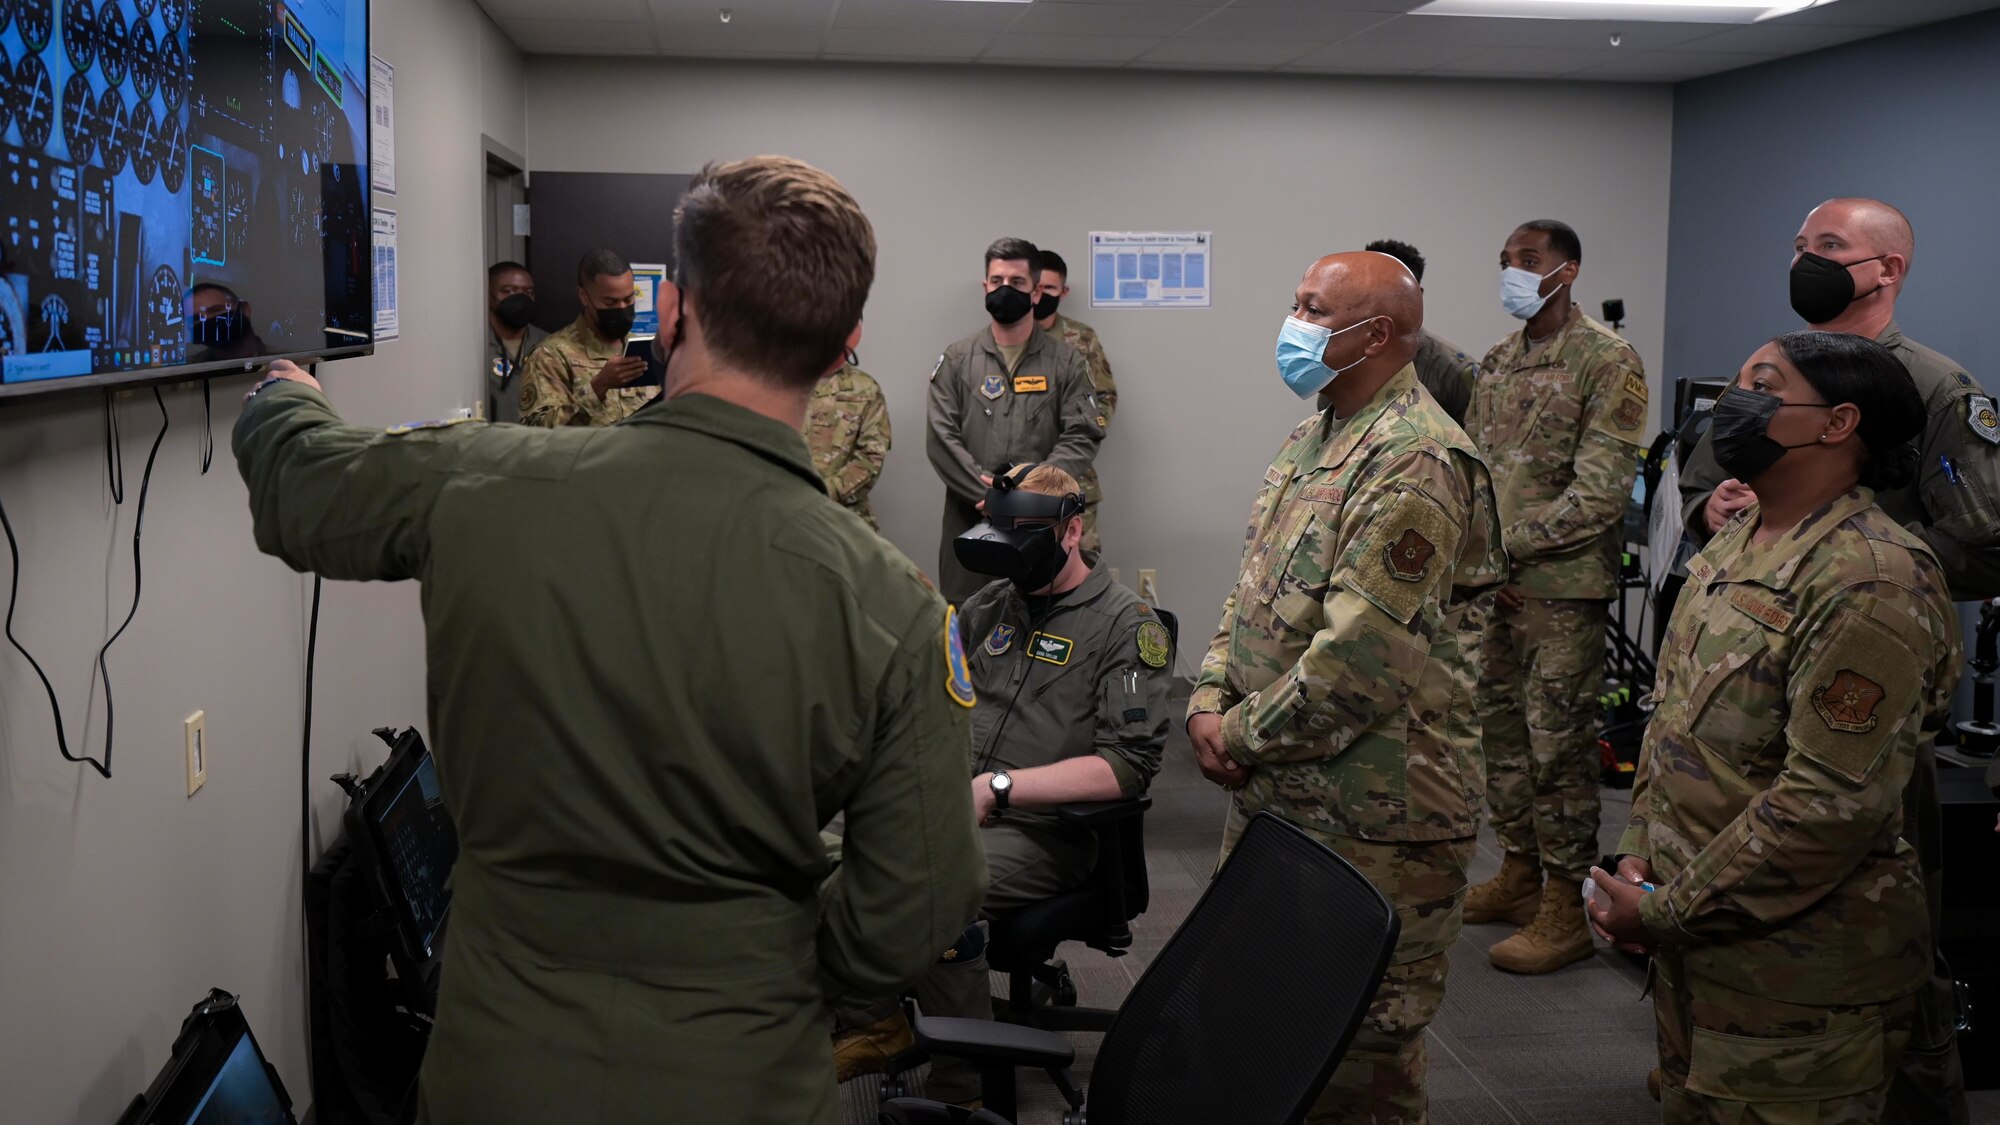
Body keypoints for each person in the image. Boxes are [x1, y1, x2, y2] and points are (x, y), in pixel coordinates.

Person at [232, 156, 987, 1125]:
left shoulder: (486, 482)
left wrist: (280, 394)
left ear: (673, 307)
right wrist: (762, 958)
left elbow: (301, 490)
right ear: (845, 343)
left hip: (499, 1076)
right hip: (741, 1080)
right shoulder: (896, 610)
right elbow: (919, 906)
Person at [1676, 198, 1994, 1125]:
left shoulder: (1936, 389)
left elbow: (1985, 540)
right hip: (1745, 692)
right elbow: (1701, 485)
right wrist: (1721, 507)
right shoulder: (1769, 374)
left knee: (1885, 939)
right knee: (1741, 904)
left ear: (1886, 268)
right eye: (1799, 245)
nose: (1803, 260)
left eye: (1827, 247)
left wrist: (1841, 551)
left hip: (1863, 693)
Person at [1591, 331, 1958, 1125]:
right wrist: (1641, 849)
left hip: (1800, 972)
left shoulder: (1871, 576)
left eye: (1763, 385)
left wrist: (1660, 912)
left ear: (1837, 424)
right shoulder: (1735, 542)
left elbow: (1828, 805)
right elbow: (1674, 718)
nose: (1734, 406)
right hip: (1703, 932)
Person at [1188, 251, 1501, 1125]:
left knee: (1356, 1056)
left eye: (1311, 309)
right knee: (1268, 1025)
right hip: (1284, 786)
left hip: (1378, 813)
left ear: (1374, 335)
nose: (1292, 324)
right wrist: (1210, 696)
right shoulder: (1314, 436)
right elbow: (1252, 595)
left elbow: (1360, 658)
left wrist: (1239, 734)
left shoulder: (1418, 459)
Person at [832, 463, 1171, 1103]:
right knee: (840, 850)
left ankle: (964, 1082)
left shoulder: (1129, 627)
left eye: (1027, 535)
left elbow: (1125, 767)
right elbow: (928, 690)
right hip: (957, 808)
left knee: (930, 883)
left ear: (1072, 532)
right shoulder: (994, 605)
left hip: (1047, 833)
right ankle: (875, 1019)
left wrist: (997, 788)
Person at [1461, 219, 1648, 975]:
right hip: (1496, 590)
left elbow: (1601, 492)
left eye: (1527, 261)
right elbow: (1477, 473)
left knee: (1558, 751)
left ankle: (1566, 905)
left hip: (1562, 593)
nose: (1512, 271)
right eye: (1505, 260)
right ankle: (1518, 872)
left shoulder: (1608, 360)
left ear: (1566, 271)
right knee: (1499, 740)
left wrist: (1501, 551)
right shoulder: (1500, 360)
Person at [927, 237, 1103, 604]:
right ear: (985, 286)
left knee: (1048, 623)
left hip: (1043, 526)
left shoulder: (1067, 361)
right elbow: (940, 436)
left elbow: (1082, 433)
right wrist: (986, 495)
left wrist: (1032, 494)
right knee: (970, 627)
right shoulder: (958, 359)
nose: (1004, 289)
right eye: (996, 281)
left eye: (1017, 283)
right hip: (971, 521)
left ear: (1037, 292)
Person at [1033, 249, 1118, 551]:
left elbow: (1105, 396)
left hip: (1074, 478)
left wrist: (1080, 430)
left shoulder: (1080, 339)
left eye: (1050, 289)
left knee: (1082, 572)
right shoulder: (1010, 338)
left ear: (1063, 291)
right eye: (1037, 288)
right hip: (1023, 475)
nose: (1041, 295)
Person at [517, 247, 656, 427]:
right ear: (584, 296)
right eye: (610, 302)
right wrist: (598, 386)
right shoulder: (551, 355)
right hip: (587, 455)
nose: (622, 308)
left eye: (629, 299)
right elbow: (537, 431)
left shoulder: (645, 349)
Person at [1364, 239, 1479, 426]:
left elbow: (1475, 447)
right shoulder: (1345, 355)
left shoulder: (1453, 371)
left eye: (1386, 289)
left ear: (1416, 294)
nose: (1372, 297)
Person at [805, 351, 891, 530]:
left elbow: (871, 457)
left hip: (844, 522)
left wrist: (823, 492)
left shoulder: (864, 389)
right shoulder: (777, 384)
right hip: (783, 518)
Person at [485, 261, 548, 424]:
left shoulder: (550, 344)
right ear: (488, 295)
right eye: (508, 291)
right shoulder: (474, 345)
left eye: (529, 292)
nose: (520, 298)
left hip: (539, 444)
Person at [186, 283, 266, 363]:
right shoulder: (188, 370)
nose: (207, 320)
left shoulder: (276, 359)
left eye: (216, 310)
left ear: (245, 310)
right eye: (196, 318)